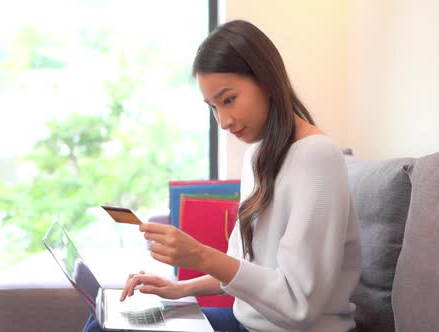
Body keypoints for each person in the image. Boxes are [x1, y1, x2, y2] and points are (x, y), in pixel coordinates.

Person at [83, 19, 361, 332]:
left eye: (228, 100)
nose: (224, 122)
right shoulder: (256, 155)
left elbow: (298, 307)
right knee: (105, 318)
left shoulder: (317, 157)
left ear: (267, 82)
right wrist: (179, 290)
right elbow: (243, 270)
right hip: (248, 325)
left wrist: (199, 255)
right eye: (213, 107)